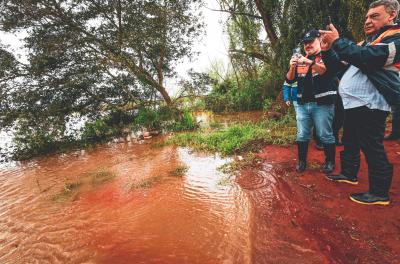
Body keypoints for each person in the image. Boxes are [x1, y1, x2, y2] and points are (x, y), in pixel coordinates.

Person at [320, 0, 400, 205]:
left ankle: (379, 193)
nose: (367, 20)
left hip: (371, 104)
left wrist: (338, 41)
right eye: (367, 16)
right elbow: (337, 67)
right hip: (353, 103)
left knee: (371, 146)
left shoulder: (395, 37)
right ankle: (349, 174)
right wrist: (328, 50)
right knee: (350, 141)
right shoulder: (366, 42)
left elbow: (369, 58)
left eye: (374, 16)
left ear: (391, 16)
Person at [286, 30, 338, 174]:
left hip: (323, 103)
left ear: (319, 40)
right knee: (302, 134)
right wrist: (292, 66)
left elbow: (325, 71)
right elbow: (289, 80)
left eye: (311, 41)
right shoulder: (301, 58)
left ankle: (329, 162)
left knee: (325, 134)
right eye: (305, 43)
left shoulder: (327, 54)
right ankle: (302, 162)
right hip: (302, 104)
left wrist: (310, 62)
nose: (308, 45)